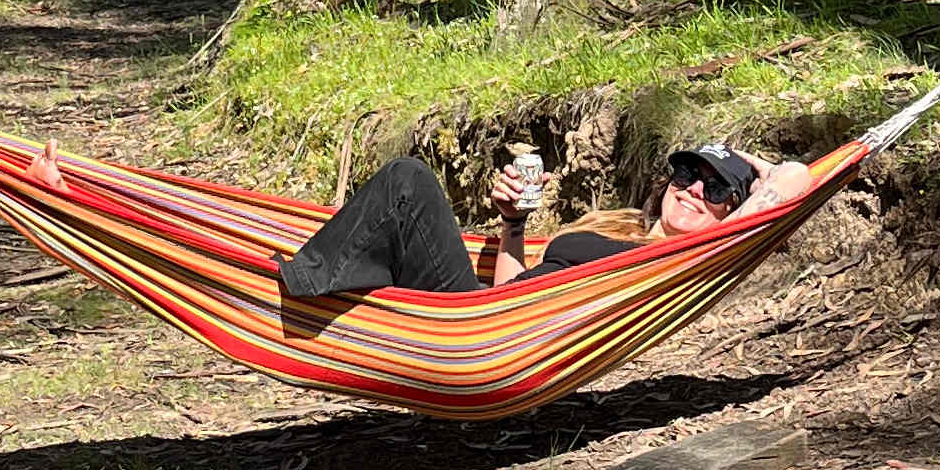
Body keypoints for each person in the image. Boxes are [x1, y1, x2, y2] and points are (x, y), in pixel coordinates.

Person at [274, 137, 814, 306]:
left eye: (716, 189)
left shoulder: (686, 260)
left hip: (478, 337)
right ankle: (330, 287)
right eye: (687, 174)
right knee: (398, 205)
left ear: (733, 212)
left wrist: (759, 172)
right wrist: (513, 224)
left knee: (408, 181)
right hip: (491, 317)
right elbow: (514, 294)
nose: (694, 189)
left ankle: (297, 288)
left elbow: (797, 177)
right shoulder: (616, 229)